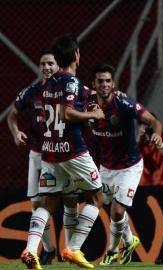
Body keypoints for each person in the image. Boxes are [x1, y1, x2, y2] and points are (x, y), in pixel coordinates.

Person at [20, 34, 105, 269]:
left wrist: (89, 101)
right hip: (73, 151)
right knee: (97, 198)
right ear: (76, 54)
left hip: (49, 151)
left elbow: (78, 96)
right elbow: (67, 113)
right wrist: (93, 114)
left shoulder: (48, 84)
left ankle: (30, 249)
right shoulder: (71, 82)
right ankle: (73, 248)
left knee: (48, 203)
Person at [8, 50, 79, 266]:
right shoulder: (31, 92)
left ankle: (71, 251)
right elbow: (12, 115)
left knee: (70, 202)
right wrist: (16, 132)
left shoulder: (67, 88)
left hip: (64, 153)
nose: (46, 67)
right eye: (42, 64)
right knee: (37, 203)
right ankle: (48, 249)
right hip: (39, 154)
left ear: (58, 66)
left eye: (50, 63)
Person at [87, 64, 163, 265]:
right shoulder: (86, 104)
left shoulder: (124, 103)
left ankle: (112, 251)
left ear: (113, 83)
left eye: (108, 81)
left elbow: (154, 121)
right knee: (108, 208)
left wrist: (155, 133)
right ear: (93, 84)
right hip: (106, 167)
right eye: (100, 81)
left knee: (117, 210)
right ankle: (130, 241)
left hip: (130, 166)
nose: (104, 84)